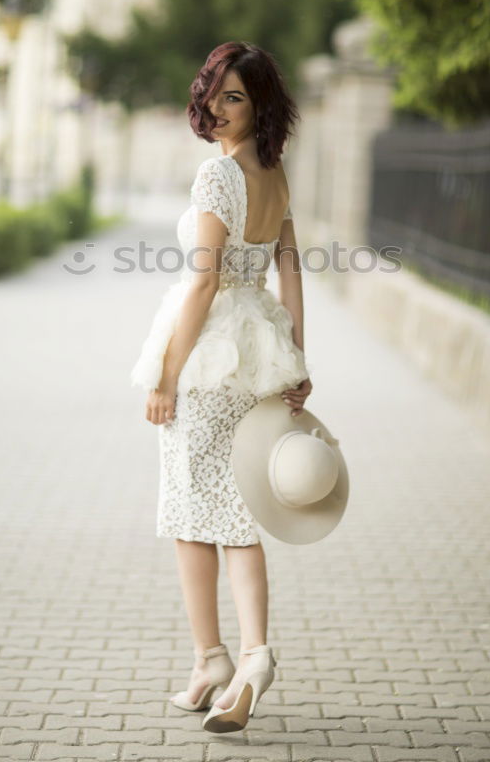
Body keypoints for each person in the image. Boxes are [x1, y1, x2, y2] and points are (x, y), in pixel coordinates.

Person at [130, 41, 313, 731]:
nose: (215, 104)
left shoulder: (218, 177)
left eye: (233, 95)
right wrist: (295, 359)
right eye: (212, 90)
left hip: (209, 357)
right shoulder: (277, 172)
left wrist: (165, 377)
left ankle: (218, 656)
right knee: (235, 507)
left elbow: (204, 281)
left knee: (190, 506)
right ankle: (243, 656)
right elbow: (290, 272)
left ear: (260, 103)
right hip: (259, 347)